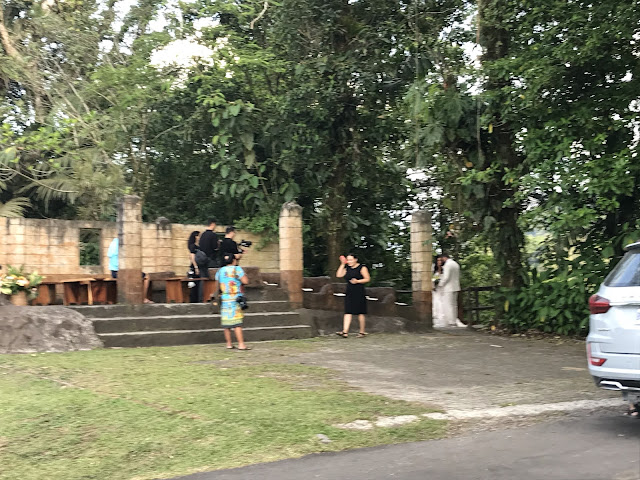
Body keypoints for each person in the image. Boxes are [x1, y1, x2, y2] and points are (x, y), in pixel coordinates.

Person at [213, 253, 250, 350]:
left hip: (225, 298)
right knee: (237, 322)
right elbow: (245, 281)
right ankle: (241, 344)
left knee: (226, 323)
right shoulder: (237, 269)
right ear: (233, 260)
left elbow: (217, 285)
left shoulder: (220, 271)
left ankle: (229, 344)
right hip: (236, 298)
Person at [107, 237, 153, 303]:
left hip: (113, 272)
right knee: (146, 276)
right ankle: (143, 298)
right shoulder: (121, 245)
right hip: (121, 272)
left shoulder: (113, 243)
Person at [335, 253, 370, 338]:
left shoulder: (362, 267)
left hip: (359, 291)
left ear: (355, 259)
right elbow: (338, 275)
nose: (349, 261)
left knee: (360, 312)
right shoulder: (347, 268)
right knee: (348, 311)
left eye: (351, 260)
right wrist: (342, 264)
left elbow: (367, 278)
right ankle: (345, 331)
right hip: (349, 291)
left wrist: (358, 281)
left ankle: (362, 332)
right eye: (348, 260)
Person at [438, 252, 462, 327]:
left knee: (448, 305)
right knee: (454, 305)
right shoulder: (455, 264)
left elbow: (446, 277)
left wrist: (440, 284)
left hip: (448, 287)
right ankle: (454, 320)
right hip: (456, 286)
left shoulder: (447, 265)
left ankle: (451, 321)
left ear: (444, 257)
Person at [187, 230, 206, 303]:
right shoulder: (193, 246)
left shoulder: (198, 246)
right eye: (198, 236)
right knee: (194, 284)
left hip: (198, 266)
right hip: (194, 267)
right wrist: (196, 267)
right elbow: (192, 257)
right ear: (195, 237)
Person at [432, 255, 446, 328]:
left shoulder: (445, 269)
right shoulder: (435, 270)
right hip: (436, 289)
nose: (439, 262)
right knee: (436, 302)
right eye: (438, 260)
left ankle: (443, 318)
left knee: (442, 303)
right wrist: (434, 285)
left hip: (443, 289)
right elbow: (433, 279)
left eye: (440, 260)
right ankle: (436, 318)